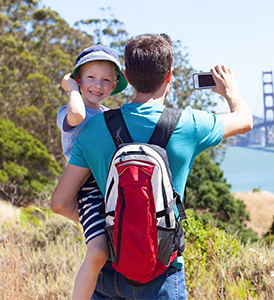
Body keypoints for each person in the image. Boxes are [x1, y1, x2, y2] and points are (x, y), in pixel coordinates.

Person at [50, 33, 253, 299]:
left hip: (109, 269)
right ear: (169, 76)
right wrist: (231, 92)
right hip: (162, 273)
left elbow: (60, 203)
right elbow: (245, 120)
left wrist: (108, 223)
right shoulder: (188, 124)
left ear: (127, 77)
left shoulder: (93, 128)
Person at [55, 44, 128, 300]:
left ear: (114, 84)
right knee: (98, 251)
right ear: (77, 79)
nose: (98, 85)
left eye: (106, 80)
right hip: (86, 188)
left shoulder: (108, 115)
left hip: (108, 186)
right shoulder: (68, 112)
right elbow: (77, 114)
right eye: (90, 78)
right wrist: (71, 88)